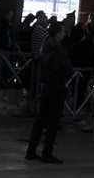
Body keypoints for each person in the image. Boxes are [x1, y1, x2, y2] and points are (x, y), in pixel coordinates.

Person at [25, 25, 70, 164]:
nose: (64, 34)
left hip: (46, 86)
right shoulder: (60, 50)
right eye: (63, 32)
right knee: (53, 122)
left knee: (40, 120)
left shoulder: (44, 47)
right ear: (57, 34)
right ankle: (47, 152)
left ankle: (31, 150)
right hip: (57, 86)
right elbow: (69, 69)